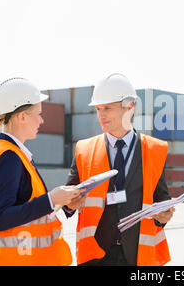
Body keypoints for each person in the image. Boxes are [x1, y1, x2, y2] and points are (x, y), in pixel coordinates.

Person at [63, 73, 175, 266]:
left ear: (129, 106)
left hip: (136, 256)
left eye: (107, 108)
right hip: (95, 255)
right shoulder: (84, 149)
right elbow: (68, 199)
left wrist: (163, 217)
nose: (101, 115)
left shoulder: (155, 150)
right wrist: (69, 204)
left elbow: (161, 199)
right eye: (98, 108)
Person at [0, 77, 84, 266]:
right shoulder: (8, 157)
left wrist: (61, 202)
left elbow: (26, 209)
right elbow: (1, 218)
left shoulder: (15, 154)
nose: (42, 120)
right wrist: (51, 199)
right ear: (22, 117)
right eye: (39, 114)